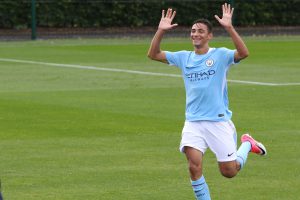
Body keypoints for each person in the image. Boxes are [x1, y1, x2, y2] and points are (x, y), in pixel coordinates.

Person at [147, 3, 267, 200]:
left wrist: (229, 28)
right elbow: (153, 54)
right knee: (194, 166)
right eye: (193, 31)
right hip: (193, 121)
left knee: (229, 171)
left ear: (209, 35)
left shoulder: (220, 55)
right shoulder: (183, 57)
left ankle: (247, 144)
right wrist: (160, 31)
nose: (196, 34)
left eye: (201, 31)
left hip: (218, 121)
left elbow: (244, 53)